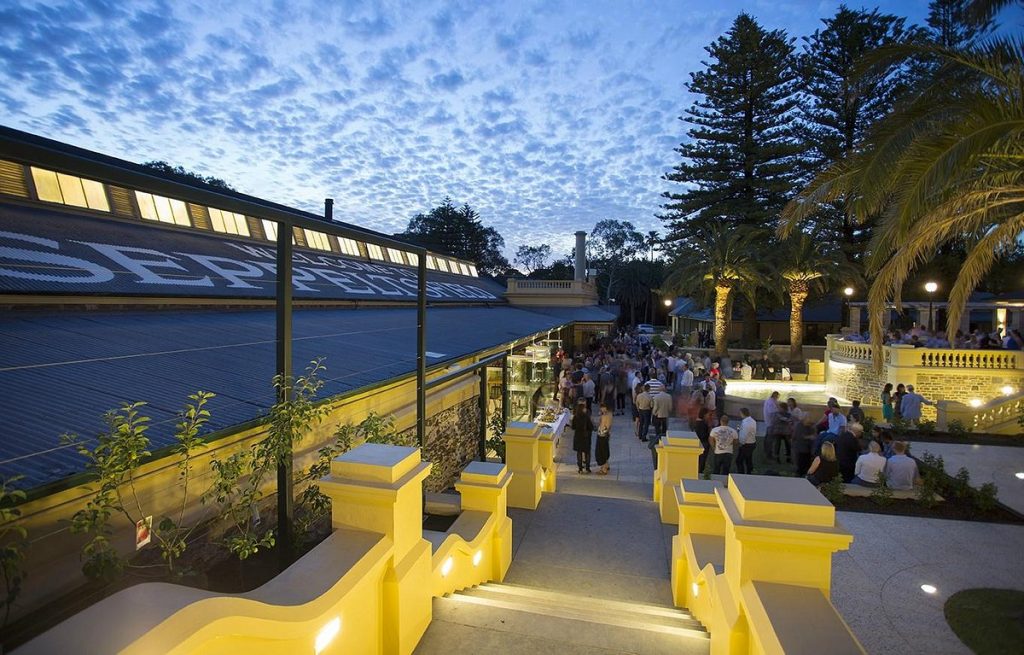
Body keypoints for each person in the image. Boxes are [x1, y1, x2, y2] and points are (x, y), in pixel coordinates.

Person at [571, 401, 594, 474]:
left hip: (578, 436)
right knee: (587, 452)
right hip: (586, 436)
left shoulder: (575, 417)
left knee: (579, 452)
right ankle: (587, 468)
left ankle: (580, 468)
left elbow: (573, 427)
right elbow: (591, 427)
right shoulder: (586, 417)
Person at [736, 407, 757, 474]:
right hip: (752, 442)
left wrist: (740, 443)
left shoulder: (746, 423)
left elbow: (744, 435)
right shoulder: (753, 421)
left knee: (739, 460)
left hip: (746, 444)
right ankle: (749, 472)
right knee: (748, 459)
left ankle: (741, 473)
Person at [693, 407, 712, 475]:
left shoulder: (697, 422)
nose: (709, 416)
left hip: (698, 443)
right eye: (708, 414)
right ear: (704, 414)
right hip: (703, 443)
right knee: (702, 460)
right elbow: (703, 435)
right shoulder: (702, 424)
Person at [595, 404, 612, 474]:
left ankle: (604, 468)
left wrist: (602, 431)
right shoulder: (609, 414)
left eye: (602, 408)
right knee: (605, 449)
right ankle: (606, 465)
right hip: (605, 434)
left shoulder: (606, 416)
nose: (601, 409)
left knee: (601, 451)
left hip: (602, 434)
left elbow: (605, 426)